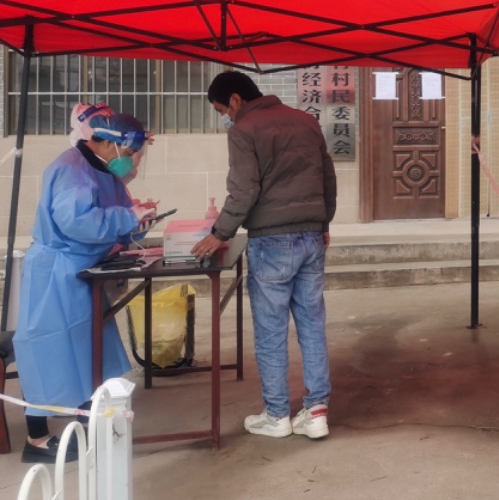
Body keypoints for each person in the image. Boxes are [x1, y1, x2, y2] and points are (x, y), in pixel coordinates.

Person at [192, 71, 337, 440]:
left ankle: (277, 415)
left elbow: (244, 189)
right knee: (312, 324)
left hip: (272, 242)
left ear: (235, 99)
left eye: (222, 110)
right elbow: (327, 177)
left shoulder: (244, 130)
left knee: (271, 331)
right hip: (311, 237)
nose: (225, 117)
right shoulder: (306, 121)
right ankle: (316, 412)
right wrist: (323, 222)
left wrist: (219, 233)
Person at [14, 113, 156, 464]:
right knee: (49, 355)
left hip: (81, 270)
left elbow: (114, 213)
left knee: (88, 352)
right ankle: (37, 439)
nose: (130, 160)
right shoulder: (72, 169)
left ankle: (88, 424)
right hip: (56, 273)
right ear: (107, 143)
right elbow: (77, 222)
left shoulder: (100, 169)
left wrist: (137, 220)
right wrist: (128, 218)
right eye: (129, 152)